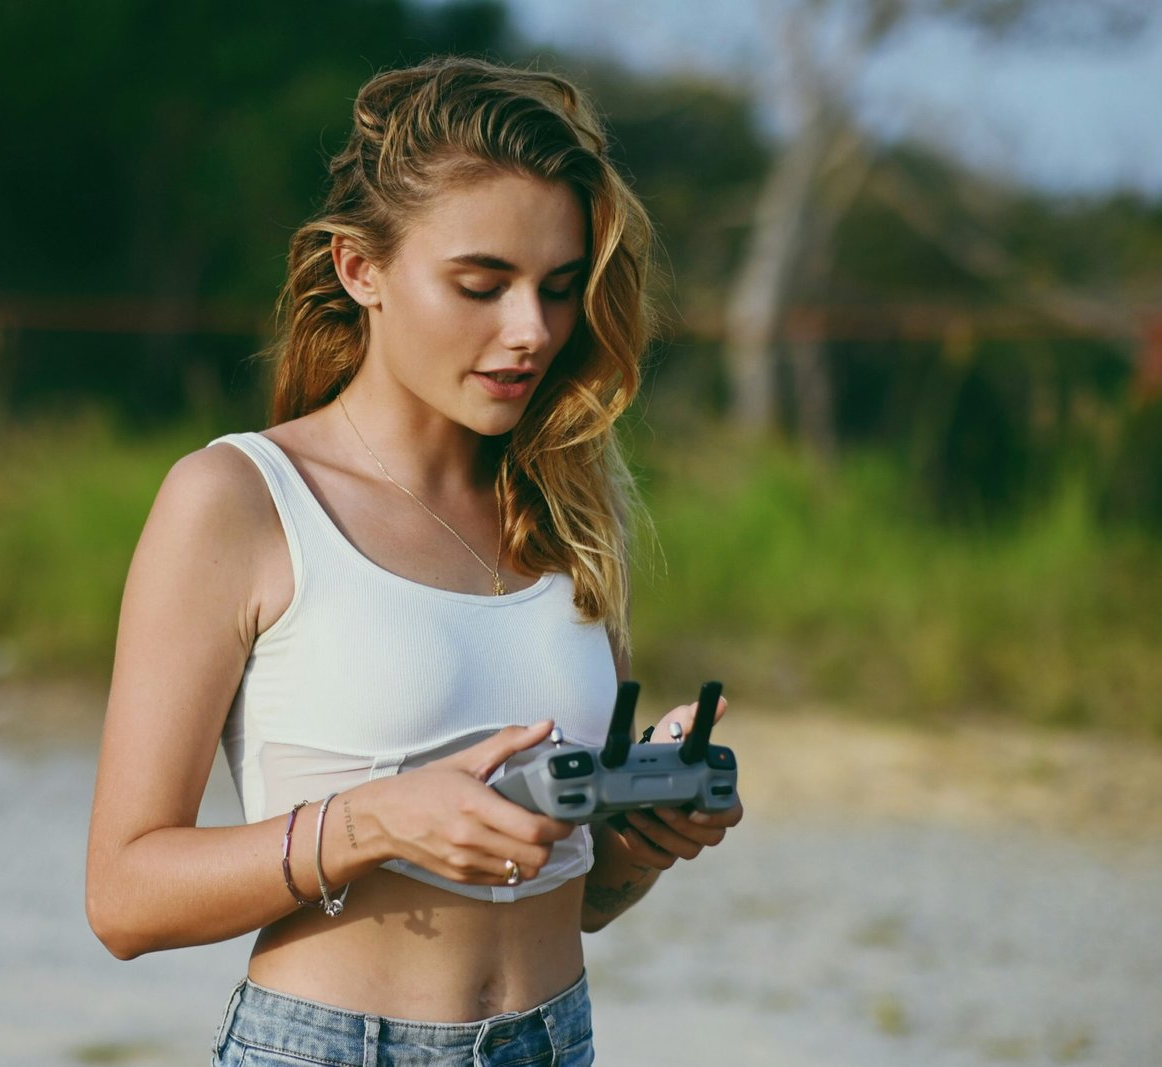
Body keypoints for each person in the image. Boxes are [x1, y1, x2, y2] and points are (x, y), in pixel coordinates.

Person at [85, 55, 743, 1066]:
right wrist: (370, 822)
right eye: (481, 284)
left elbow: (587, 895)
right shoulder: (239, 501)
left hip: (553, 1036)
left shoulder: (563, 503)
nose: (530, 332)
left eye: (560, 289)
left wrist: (638, 838)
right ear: (361, 270)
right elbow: (124, 897)